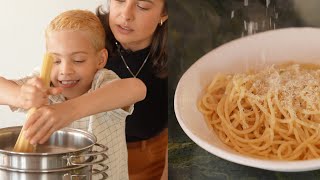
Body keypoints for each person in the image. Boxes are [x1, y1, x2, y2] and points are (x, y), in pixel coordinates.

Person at [0, 9, 146, 180]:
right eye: (56, 60)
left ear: (100, 59)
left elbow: (136, 88)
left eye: (78, 60)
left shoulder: (102, 83)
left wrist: (68, 110)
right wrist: (20, 95)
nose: (65, 70)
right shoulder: (42, 83)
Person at [97, 0, 168, 179]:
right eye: (120, 0)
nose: (126, 14)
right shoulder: (90, 36)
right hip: (94, 160)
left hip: (153, 161)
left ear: (164, 14)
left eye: (142, 6)